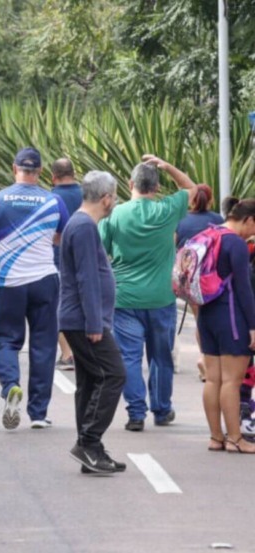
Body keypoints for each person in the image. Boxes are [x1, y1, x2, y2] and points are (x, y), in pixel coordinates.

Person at [99, 155, 197, 431]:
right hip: (161, 298)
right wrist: (168, 166)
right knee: (161, 357)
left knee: (129, 357)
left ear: (130, 184)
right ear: (157, 187)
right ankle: (162, 410)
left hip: (124, 298)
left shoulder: (114, 215)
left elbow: (99, 253)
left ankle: (136, 413)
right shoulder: (167, 209)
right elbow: (193, 189)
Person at [0, 147, 69, 430]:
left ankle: (10, 386)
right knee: (43, 345)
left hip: (10, 283)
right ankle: (38, 413)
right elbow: (61, 238)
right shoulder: (54, 201)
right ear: (40, 172)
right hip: (45, 280)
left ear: (14, 168)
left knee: (5, 339)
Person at [58, 171, 128, 474]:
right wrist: (95, 323)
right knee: (114, 374)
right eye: (114, 197)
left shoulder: (81, 224)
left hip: (80, 318)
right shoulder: (84, 226)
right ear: (106, 198)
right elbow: (87, 278)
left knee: (89, 382)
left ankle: (91, 450)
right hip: (84, 319)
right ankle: (88, 442)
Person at [196, 198, 255, 453]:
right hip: (231, 317)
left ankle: (216, 437)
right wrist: (253, 326)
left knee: (213, 380)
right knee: (232, 381)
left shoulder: (209, 234)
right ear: (248, 219)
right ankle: (235, 439)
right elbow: (244, 289)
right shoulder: (236, 243)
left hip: (206, 315)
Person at [175, 183, 225, 382]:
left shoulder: (180, 220)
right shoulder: (217, 220)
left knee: (199, 320)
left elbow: (173, 248)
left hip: (190, 281)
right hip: (213, 280)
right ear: (211, 200)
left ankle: (204, 357)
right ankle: (209, 362)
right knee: (213, 320)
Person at [50, 158, 83, 370]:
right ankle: (83, 352)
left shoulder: (50, 198)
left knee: (59, 306)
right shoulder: (87, 194)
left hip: (58, 260)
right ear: (74, 173)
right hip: (84, 258)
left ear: (53, 177)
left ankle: (68, 353)